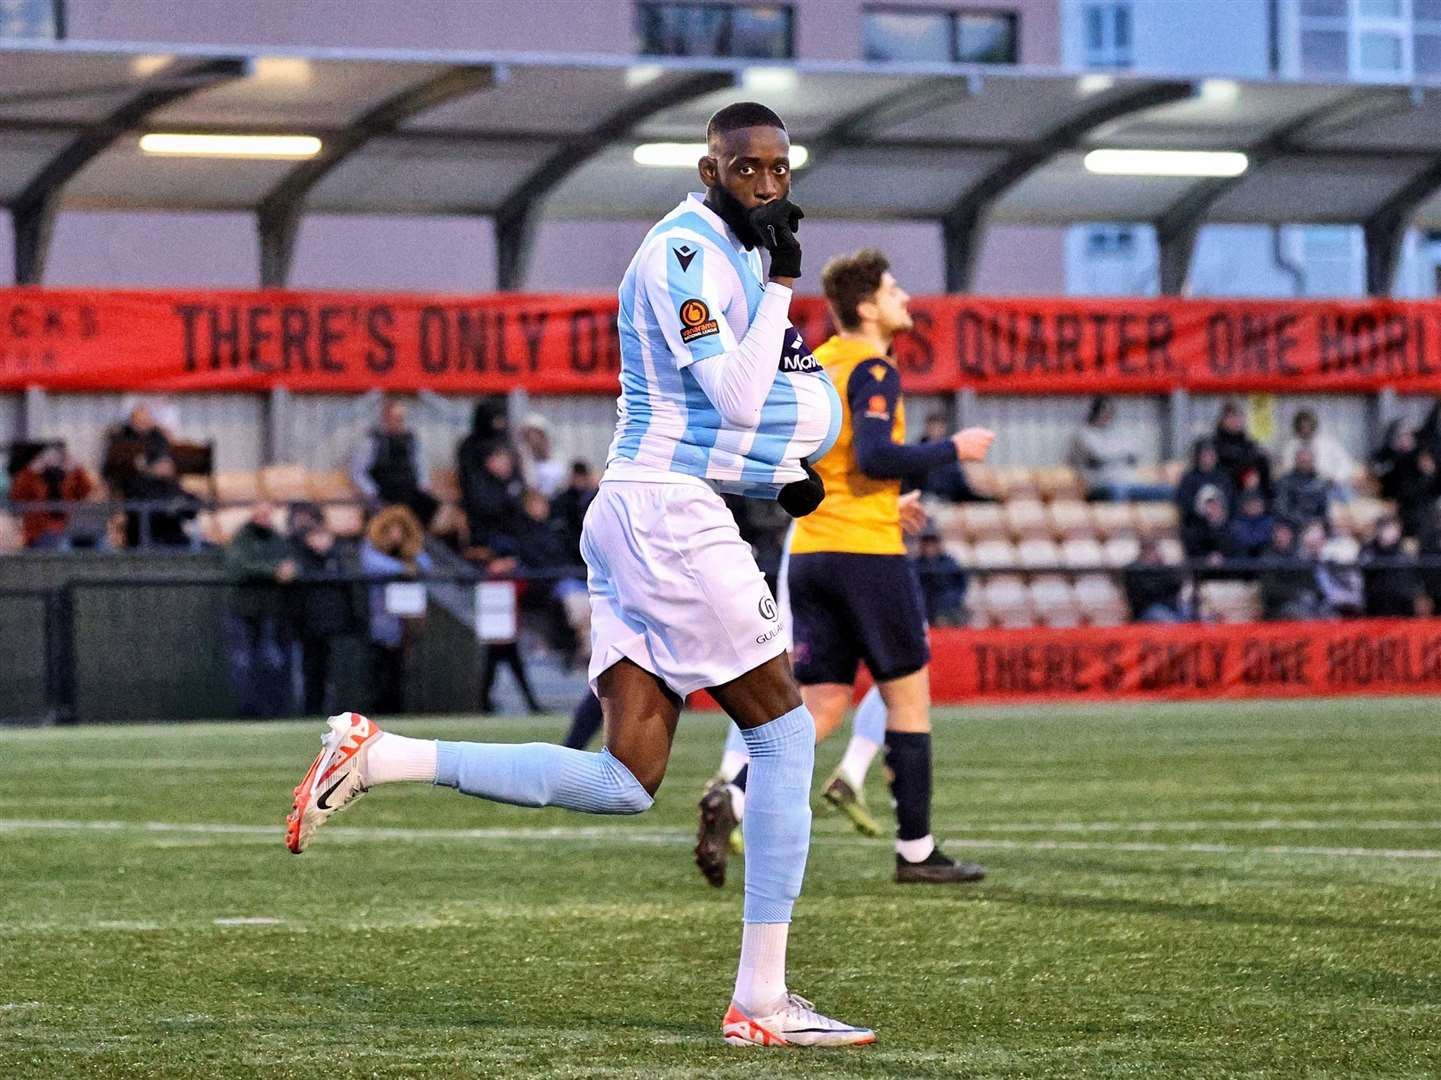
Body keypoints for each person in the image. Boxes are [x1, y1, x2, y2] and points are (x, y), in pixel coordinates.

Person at [285, 102, 872, 1046]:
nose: (767, 184)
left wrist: (777, 473)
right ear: (708, 168)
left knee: (626, 777)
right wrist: (785, 287)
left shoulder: (740, 251)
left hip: (650, 509)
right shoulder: (686, 251)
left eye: (779, 169)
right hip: (665, 514)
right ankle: (762, 1001)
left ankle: (382, 756)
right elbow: (728, 391)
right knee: (785, 737)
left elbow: (708, 411)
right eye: (746, 168)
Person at [699, 246, 994, 890]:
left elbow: (828, 460)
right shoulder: (872, 366)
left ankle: (735, 794)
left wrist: (893, 500)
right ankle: (916, 852)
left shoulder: (815, 361)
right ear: (867, 307)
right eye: (894, 291)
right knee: (908, 698)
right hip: (866, 554)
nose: (906, 299)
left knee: (822, 701)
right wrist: (951, 449)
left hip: (811, 552)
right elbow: (878, 454)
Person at [223, 501, 296, 718]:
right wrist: (273, 571)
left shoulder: (277, 539)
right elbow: (238, 567)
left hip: (270, 611)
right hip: (243, 611)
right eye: (260, 514)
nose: (264, 518)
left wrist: (289, 571)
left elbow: (292, 564)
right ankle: (248, 711)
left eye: (268, 514)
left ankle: (272, 711)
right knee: (243, 663)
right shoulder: (242, 539)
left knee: (272, 661)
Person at [358, 504, 432, 715]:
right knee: (378, 668)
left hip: (405, 620)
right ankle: (377, 711)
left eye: (400, 530)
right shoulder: (371, 548)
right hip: (379, 618)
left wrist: (411, 553)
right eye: (391, 530)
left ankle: (398, 709)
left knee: (400, 669)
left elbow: (426, 563)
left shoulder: (408, 553)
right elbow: (371, 564)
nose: (396, 535)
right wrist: (403, 569)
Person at [290, 523, 360, 715]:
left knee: (336, 671)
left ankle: (338, 711)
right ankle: (311, 710)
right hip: (309, 627)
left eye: (325, 536)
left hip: (336, 627)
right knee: (311, 671)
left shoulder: (339, 559)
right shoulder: (300, 561)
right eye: (317, 535)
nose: (322, 541)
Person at [350, 399, 440, 528]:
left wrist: (423, 485)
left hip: (408, 491)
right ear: (385, 418)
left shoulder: (411, 439)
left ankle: (416, 541)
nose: (401, 422)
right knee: (383, 516)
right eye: (397, 418)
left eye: (402, 418)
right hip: (383, 493)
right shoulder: (371, 441)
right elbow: (357, 471)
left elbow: (421, 464)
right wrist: (371, 492)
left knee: (430, 504)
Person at [1067, 396, 1172, 502]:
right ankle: (1114, 517)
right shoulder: (1084, 434)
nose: (1107, 416)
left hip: (1128, 481)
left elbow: (1136, 451)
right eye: (1103, 412)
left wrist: (1114, 454)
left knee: (1167, 490)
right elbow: (1100, 454)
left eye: (1109, 413)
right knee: (1119, 491)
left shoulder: (1116, 431)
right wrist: (1121, 454)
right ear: (1095, 413)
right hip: (1100, 484)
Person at [10, 443, 95, 550]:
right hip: (40, 529)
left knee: (97, 544)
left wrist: (77, 467)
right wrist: (30, 471)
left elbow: (86, 490)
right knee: (62, 545)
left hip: (68, 526)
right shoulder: (31, 475)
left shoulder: (69, 474)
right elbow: (17, 496)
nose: (52, 459)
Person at [1371, 420, 1441, 538]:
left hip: (1423, 514)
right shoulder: (1392, 459)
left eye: (1409, 436)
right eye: (1403, 436)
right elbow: (1381, 477)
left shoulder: (1422, 457)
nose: (1406, 439)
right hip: (1401, 511)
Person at [906, 412, 994, 503]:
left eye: (940, 427)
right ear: (927, 428)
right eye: (934, 427)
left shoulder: (951, 452)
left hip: (949, 498)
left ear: (944, 429)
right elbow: (910, 481)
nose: (937, 431)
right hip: (924, 497)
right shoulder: (917, 450)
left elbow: (960, 485)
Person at [122, 452, 199, 548]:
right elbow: (149, 511)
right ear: (152, 466)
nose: (168, 467)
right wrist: (172, 508)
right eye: (163, 463)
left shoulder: (173, 485)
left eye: (169, 463)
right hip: (147, 539)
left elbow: (190, 506)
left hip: (174, 538)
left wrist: (176, 506)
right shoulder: (138, 485)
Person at [1360, 515, 1424, 617]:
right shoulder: (1369, 549)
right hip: (1377, 601)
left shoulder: (1405, 551)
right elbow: (1365, 570)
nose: (1393, 533)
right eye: (1388, 528)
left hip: (1402, 602)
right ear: (1379, 530)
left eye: (1395, 529)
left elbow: (1413, 577)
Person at [1280, 410, 1355, 493]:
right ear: (1297, 427)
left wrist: (1335, 478)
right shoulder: (1290, 446)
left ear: (1314, 426)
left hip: (1330, 484)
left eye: (1307, 426)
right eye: (1302, 426)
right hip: (1302, 486)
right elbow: (1287, 468)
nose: (1305, 429)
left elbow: (1346, 464)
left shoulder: (1329, 442)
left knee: (1345, 494)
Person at [1213, 401, 1271, 496]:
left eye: (1238, 417)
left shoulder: (1249, 444)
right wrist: (1245, 474)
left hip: (1249, 494)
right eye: (1231, 417)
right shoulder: (1215, 444)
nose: (1235, 420)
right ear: (1222, 420)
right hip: (1225, 493)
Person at [1124, 536, 1188, 622]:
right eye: (1150, 550)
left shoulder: (1163, 566)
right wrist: (1162, 585)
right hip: (1147, 608)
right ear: (1143, 551)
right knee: (1170, 620)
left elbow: (1177, 584)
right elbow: (1146, 592)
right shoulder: (1134, 569)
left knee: (1191, 614)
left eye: (1155, 549)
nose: (1155, 553)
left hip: (1169, 605)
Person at [1175, 438, 1234, 532]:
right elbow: (1183, 502)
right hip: (1196, 526)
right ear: (1197, 456)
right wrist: (1205, 511)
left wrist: (1220, 511)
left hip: (1222, 526)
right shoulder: (1189, 478)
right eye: (1205, 455)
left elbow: (1231, 500)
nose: (1208, 458)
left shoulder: (1223, 478)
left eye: (1211, 455)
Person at [913, 529, 968, 626]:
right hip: (924, 610)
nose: (930, 546)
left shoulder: (949, 562)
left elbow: (961, 584)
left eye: (933, 542)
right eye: (926, 542)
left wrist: (951, 600)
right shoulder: (915, 563)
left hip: (947, 608)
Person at [1273, 446, 1333, 533]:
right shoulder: (1285, 482)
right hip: (1290, 527)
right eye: (1302, 461)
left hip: (1315, 528)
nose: (1305, 464)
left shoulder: (1320, 484)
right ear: (1296, 461)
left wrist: (1317, 523)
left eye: (1308, 461)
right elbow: (1281, 509)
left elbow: (1324, 510)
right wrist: (1304, 522)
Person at [517, 413, 566, 498]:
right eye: (529, 436)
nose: (533, 439)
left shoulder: (561, 456)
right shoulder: (522, 462)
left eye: (537, 434)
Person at [1225, 488, 1275, 561]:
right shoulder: (1236, 523)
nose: (1255, 505)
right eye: (1251, 502)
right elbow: (1246, 541)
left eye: (1258, 502)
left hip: (1266, 560)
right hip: (1240, 563)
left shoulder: (1271, 521)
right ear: (1244, 506)